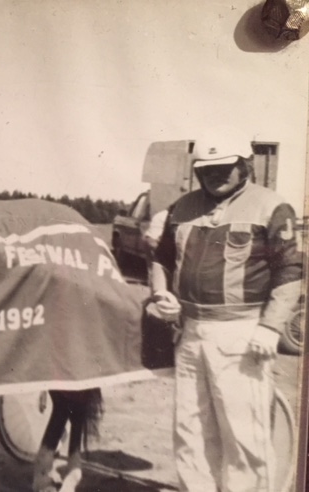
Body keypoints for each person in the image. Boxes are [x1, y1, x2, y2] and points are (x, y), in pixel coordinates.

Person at [149, 127, 302, 492]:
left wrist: (270, 327)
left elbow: (291, 270)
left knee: (244, 436)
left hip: (243, 333)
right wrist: (159, 294)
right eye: (206, 168)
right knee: (190, 431)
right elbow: (161, 258)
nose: (215, 174)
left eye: (225, 166)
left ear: (245, 164)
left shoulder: (272, 206)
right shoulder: (182, 208)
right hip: (190, 334)